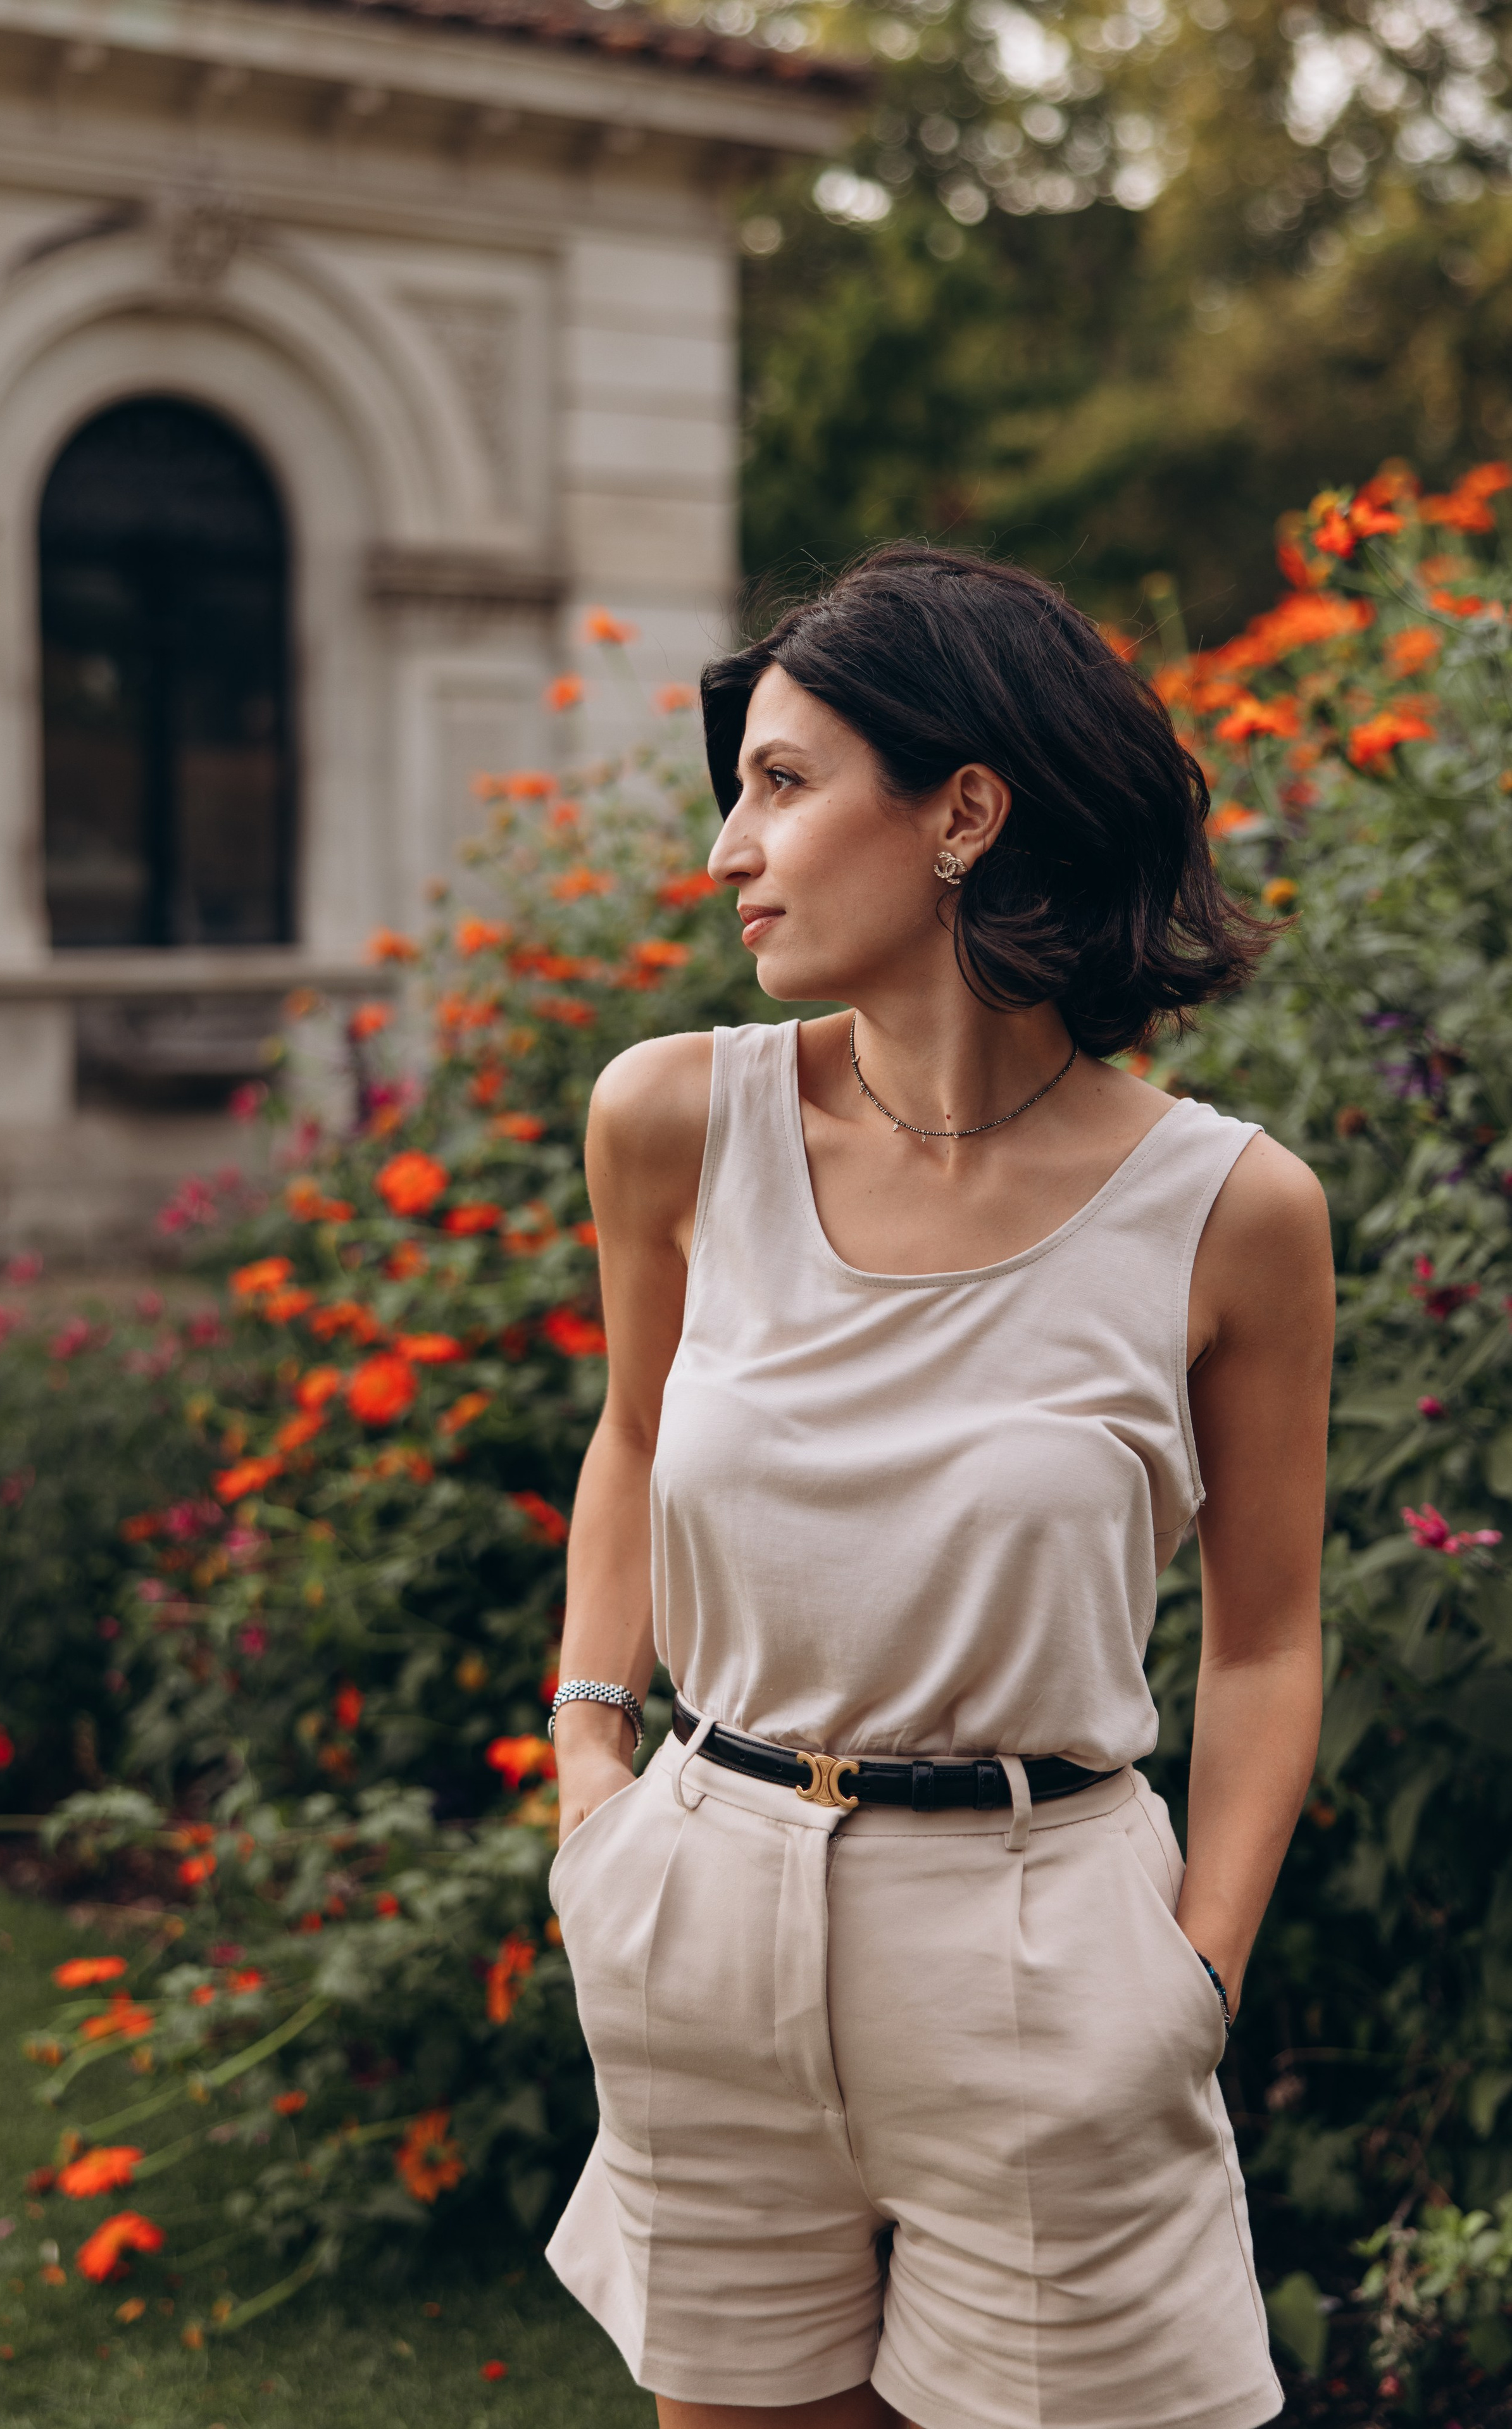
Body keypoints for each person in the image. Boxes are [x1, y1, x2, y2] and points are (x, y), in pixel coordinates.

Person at [543, 545, 1334, 2429]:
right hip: (703, 1914)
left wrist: (1193, 1975)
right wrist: (591, 1776)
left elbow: (1270, 1637)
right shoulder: (672, 1121)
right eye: (738, 791)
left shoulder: (1231, 1214)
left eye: (786, 785)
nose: (731, 848)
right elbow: (635, 1436)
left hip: (1047, 1954)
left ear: (965, 809)